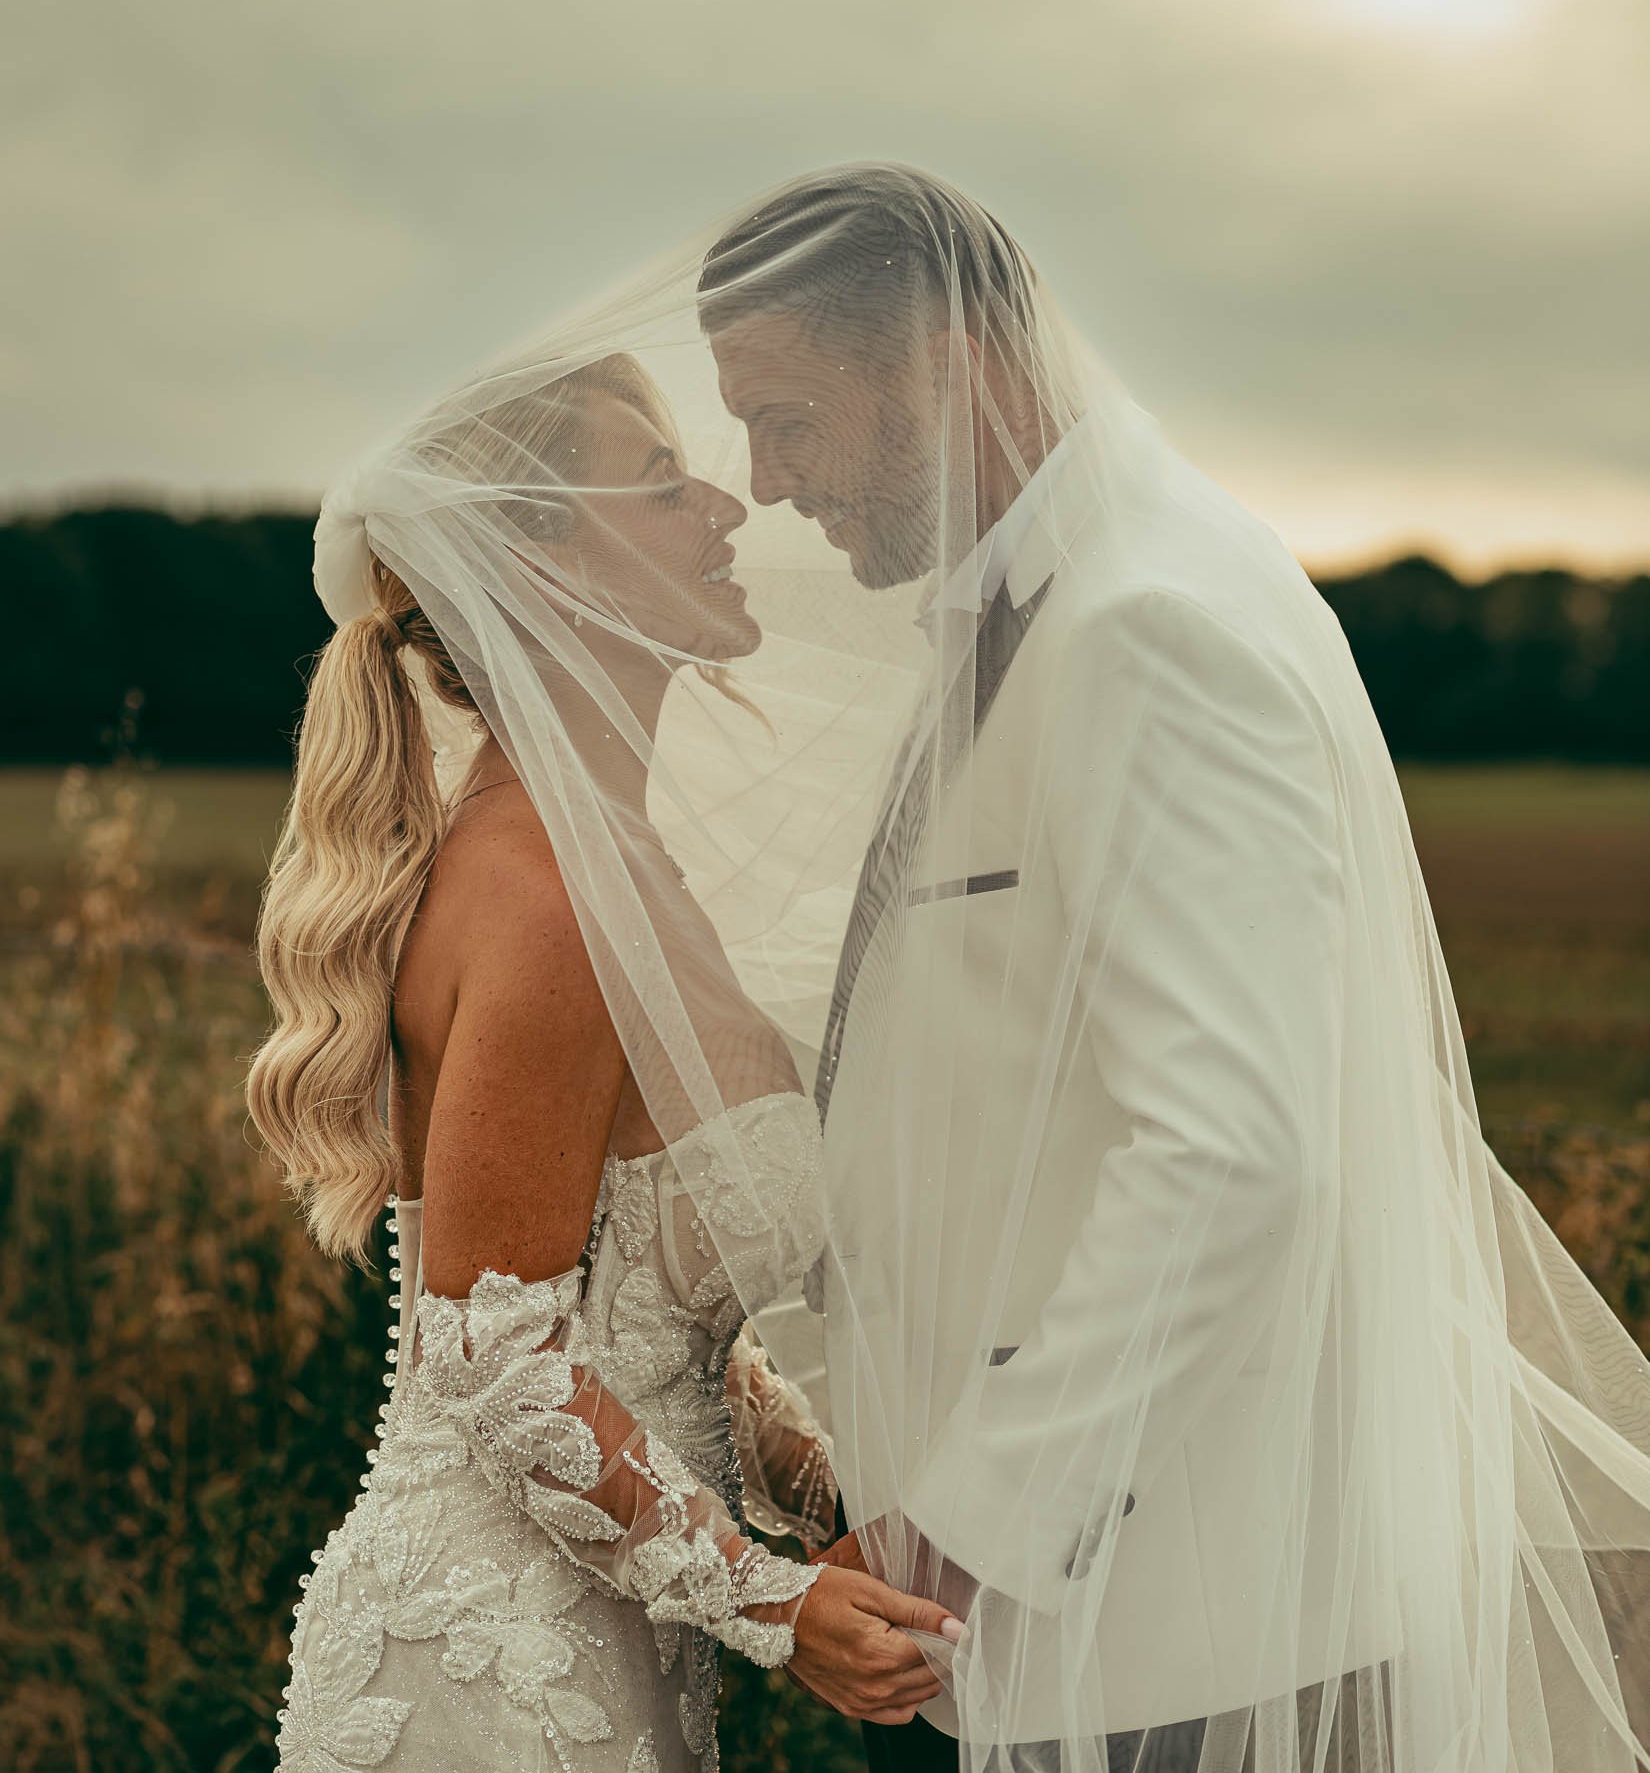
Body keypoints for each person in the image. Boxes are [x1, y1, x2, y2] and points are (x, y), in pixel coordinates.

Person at [697, 165, 1650, 1773]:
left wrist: (965, 1528)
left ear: (942, 355)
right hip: (1114, 1604)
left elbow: (1233, 1152)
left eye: (785, 415)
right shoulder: (1047, 603)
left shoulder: (1146, 621)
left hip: (1194, 1613)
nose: (765, 480)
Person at [248, 352, 963, 1773]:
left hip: (602, 1647)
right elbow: (494, 1353)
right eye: (658, 486)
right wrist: (778, 1604)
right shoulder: (547, 895)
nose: (725, 505)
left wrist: (829, 1482)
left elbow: (642, 1318)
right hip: (492, 1669)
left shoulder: (629, 874)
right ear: (543, 572)